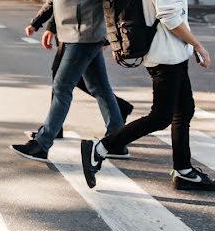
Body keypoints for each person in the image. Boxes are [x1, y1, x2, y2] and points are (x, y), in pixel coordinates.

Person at [81, 0, 215, 191]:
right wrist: (199, 45)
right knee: (161, 116)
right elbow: (170, 15)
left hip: (168, 52)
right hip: (166, 54)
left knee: (184, 110)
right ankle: (100, 148)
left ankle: (183, 170)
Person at [12, 0, 125, 162]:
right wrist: (44, 24)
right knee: (100, 87)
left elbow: (111, 1)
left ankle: (42, 144)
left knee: (62, 87)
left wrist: (110, 37)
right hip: (71, 34)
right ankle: (117, 140)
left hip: (84, 36)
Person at [24, 11, 134, 142]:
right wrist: (47, 26)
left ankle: (48, 135)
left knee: (65, 81)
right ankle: (117, 134)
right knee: (93, 83)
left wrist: (107, 35)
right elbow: (60, 1)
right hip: (73, 33)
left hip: (82, 34)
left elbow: (103, 1)